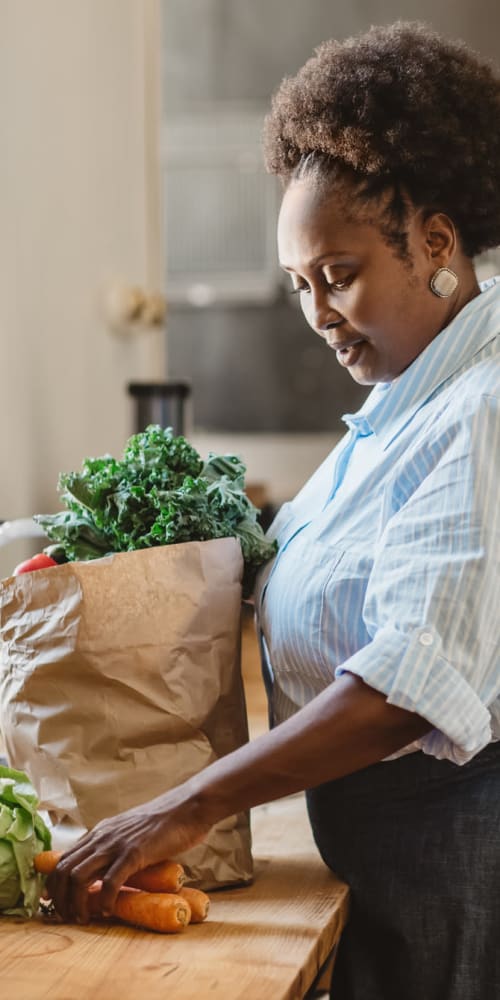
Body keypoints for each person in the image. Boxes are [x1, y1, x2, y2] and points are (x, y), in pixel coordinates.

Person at [48, 22, 500, 999]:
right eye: (300, 285)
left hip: (443, 861)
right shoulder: (403, 395)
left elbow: (407, 686)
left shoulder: (484, 410)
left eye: (336, 275)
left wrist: (187, 805)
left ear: (432, 239)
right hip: (378, 850)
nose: (317, 314)